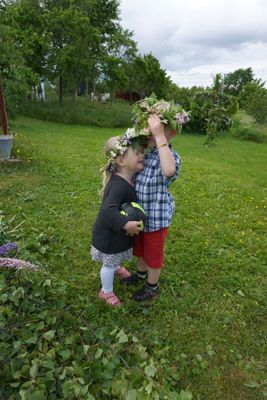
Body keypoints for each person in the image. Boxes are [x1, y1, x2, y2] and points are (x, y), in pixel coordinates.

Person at [121, 96, 190, 301]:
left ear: (171, 133)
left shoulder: (169, 156)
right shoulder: (146, 151)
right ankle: (141, 274)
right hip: (139, 216)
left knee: (152, 255)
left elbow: (168, 171)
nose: (152, 131)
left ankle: (152, 286)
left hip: (157, 219)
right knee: (139, 250)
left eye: (159, 128)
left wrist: (160, 138)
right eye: (151, 127)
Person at [91, 129, 145, 306]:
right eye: (136, 153)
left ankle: (117, 266)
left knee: (115, 259)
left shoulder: (128, 178)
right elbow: (107, 211)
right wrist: (125, 224)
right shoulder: (119, 185)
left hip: (116, 234)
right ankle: (105, 292)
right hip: (109, 236)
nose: (141, 154)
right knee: (108, 264)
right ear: (121, 160)